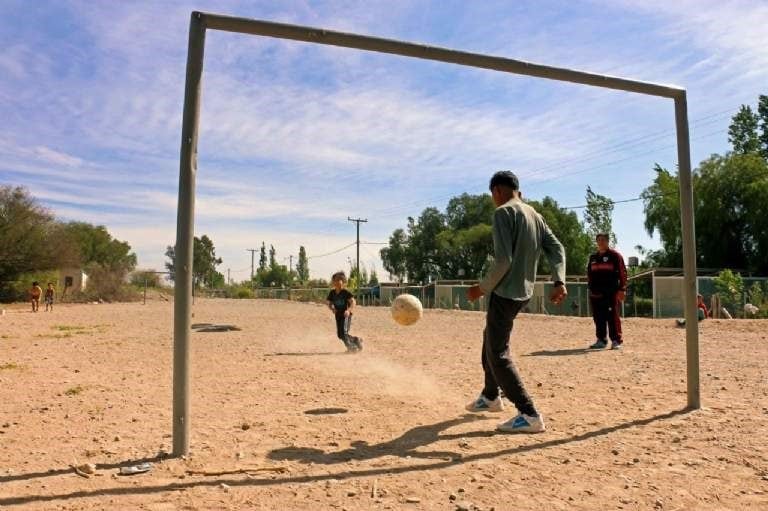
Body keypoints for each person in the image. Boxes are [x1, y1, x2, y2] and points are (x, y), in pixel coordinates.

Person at [465, 171, 567, 434]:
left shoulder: (503, 213)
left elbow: (503, 262)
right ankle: (490, 397)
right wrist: (559, 281)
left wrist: (481, 288)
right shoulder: (535, 215)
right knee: (490, 337)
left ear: (497, 191)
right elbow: (557, 248)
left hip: (505, 292)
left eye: (492, 196)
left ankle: (529, 413)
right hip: (524, 292)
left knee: (497, 353)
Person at [586, 233, 627, 350]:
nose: (601, 242)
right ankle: (601, 340)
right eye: (599, 240)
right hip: (595, 293)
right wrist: (590, 288)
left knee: (612, 316)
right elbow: (589, 274)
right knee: (598, 317)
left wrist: (622, 289)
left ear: (608, 241)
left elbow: (622, 272)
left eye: (603, 240)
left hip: (611, 293)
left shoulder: (615, 256)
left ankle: (616, 340)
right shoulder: (593, 258)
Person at [326, 271, 363, 353]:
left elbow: (353, 302)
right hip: (338, 315)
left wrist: (348, 310)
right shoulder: (332, 293)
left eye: (338, 280)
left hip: (345, 315)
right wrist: (332, 308)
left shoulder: (345, 292)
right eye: (334, 280)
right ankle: (356, 340)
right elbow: (329, 302)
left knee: (344, 332)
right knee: (340, 335)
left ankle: (351, 348)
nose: (336, 282)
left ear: (343, 281)